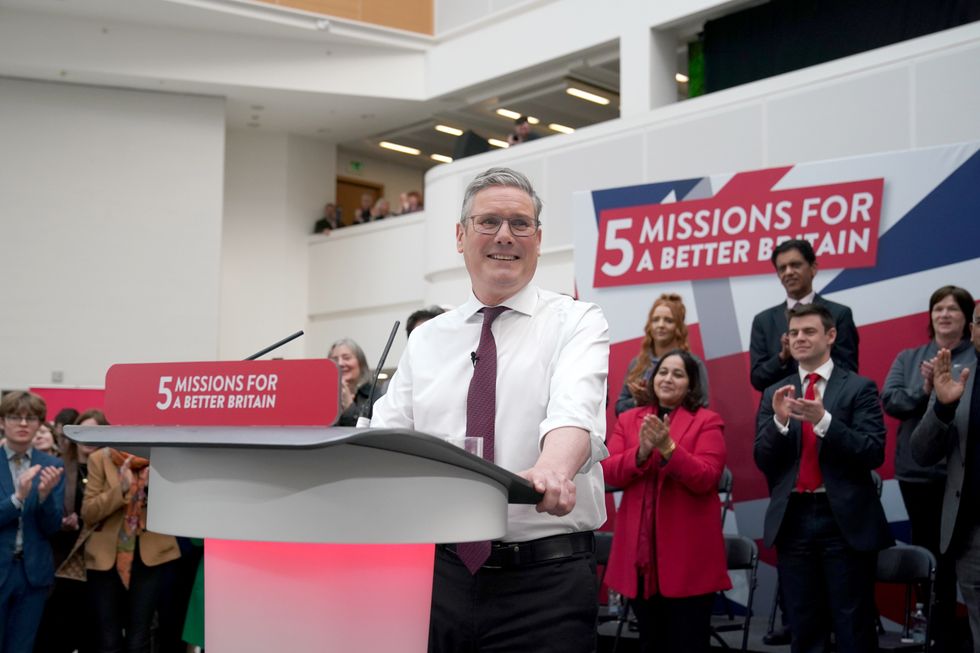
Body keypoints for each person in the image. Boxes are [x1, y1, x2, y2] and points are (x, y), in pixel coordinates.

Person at [371, 167, 609, 653]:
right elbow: (388, 440)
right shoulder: (426, 339)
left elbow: (574, 411)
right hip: (439, 580)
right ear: (460, 236)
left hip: (546, 585)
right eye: (489, 222)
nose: (505, 235)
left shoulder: (577, 321)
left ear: (539, 240)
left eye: (520, 224)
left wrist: (550, 473)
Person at [754, 303, 893, 653]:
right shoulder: (777, 392)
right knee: (804, 625)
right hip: (794, 519)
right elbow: (763, 459)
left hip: (843, 520)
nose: (799, 338)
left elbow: (873, 451)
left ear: (831, 336)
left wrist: (825, 422)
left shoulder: (859, 387)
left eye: (809, 331)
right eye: (794, 333)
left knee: (853, 624)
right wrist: (780, 423)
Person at [602, 350, 729, 653]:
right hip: (640, 561)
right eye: (663, 372)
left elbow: (707, 478)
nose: (668, 378)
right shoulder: (629, 419)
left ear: (691, 384)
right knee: (650, 642)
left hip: (689, 561)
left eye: (678, 373)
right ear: (652, 378)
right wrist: (642, 452)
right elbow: (608, 472)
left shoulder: (707, 421)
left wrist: (668, 447)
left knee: (688, 644)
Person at [882, 285, 975, 650]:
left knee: (958, 558)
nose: (945, 314)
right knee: (928, 554)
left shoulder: (975, 357)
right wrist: (925, 389)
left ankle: (953, 633)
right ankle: (936, 631)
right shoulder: (909, 358)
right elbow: (891, 400)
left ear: (967, 319)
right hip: (917, 474)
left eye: (953, 308)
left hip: (961, 476)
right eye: (938, 308)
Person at [911, 303, 980, 652]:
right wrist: (942, 406)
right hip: (973, 535)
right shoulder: (957, 379)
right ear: (973, 332)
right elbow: (921, 453)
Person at [82, 446, 181, 653]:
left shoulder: (160, 458)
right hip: (106, 557)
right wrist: (122, 488)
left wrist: (152, 487)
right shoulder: (100, 458)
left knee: (140, 637)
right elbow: (89, 512)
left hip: (150, 556)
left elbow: (178, 507)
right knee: (108, 638)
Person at [34, 409, 105, 653]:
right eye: (83, 431)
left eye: (96, 432)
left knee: (92, 628)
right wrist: (62, 520)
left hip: (98, 559)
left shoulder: (112, 470)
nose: (88, 438)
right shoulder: (61, 467)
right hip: (63, 557)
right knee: (58, 627)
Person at [0, 391, 65, 653]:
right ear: (3, 422)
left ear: (41, 424)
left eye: (31, 418)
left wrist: (44, 497)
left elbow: (52, 527)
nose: (24, 424)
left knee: (22, 648)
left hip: (33, 575)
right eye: (16, 417)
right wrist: (17, 499)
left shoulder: (51, 465)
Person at [750, 238, 860, 393]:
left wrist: (813, 352)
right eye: (782, 268)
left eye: (795, 265)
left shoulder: (839, 314)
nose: (788, 272)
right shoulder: (763, 321)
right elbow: (757, 379)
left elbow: (848, 372)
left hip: (827, 409)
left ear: (813, 268)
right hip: (781, 412)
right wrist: (782, 357)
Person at [615, 292, 710, 415]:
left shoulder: (693, 363)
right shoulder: (637, 364)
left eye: (668, 321)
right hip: (638, 432)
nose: (660, 325)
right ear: (649, 325)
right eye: (655, 320)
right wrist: (637, 402)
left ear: (679, 328)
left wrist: (654, 399)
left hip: (677, 432)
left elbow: (700, 407)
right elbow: (619, 409)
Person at [329, 338, 373, 426]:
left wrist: (349, 407)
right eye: (335, 359)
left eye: (346, 358)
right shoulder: (325, 396)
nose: (340, 363)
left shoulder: (376, 395)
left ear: (360, 363)